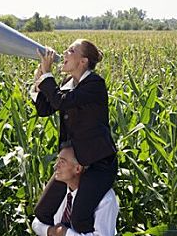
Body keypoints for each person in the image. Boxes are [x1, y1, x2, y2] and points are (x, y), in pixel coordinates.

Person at [30, 39, 117, 234]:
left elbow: (61, 102)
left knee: (80, 218)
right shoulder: (66, 84)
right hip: (73, 162)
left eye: (71, 50)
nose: (64, 53)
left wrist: (48, 76)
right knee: (42, 211)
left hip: (98, 164)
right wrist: (39, 83)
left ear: (83, 61)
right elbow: (45, 109)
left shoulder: (95, 84)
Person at [32, 144, 118, 236]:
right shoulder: (59, 189)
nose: (56, 166)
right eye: (57, 160)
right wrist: (50, 231)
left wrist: (66, 233)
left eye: (62, 162)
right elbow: (37, 222)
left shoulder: (105, 198)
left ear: (78, 168)